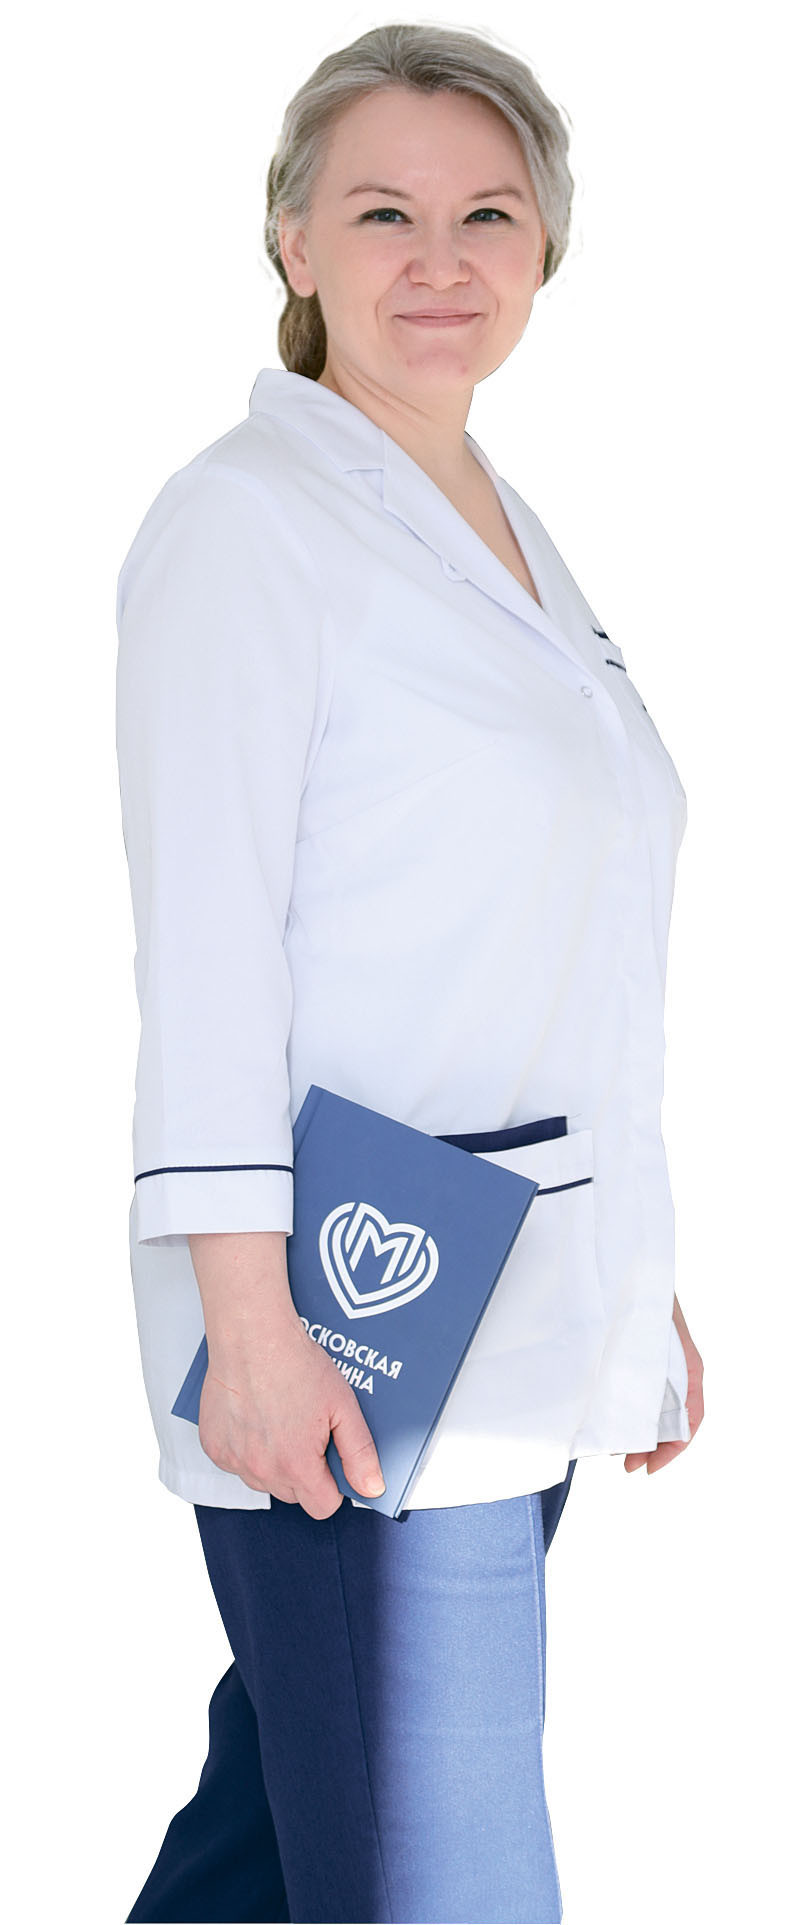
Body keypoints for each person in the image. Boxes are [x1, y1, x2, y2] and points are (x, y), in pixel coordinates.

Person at [116, 21, 704, 1925]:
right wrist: (252, 1324)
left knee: (280, 1834)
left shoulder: (499, 529)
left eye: (487, 215)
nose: (438, 259)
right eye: (382, 213)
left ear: (545, 251)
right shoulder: (249, 522)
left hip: (499, 1296)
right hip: (350, 1317)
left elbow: (539, 943)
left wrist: (627, 1280)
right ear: (292, 241)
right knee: (429, 1876)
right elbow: (208, 940)